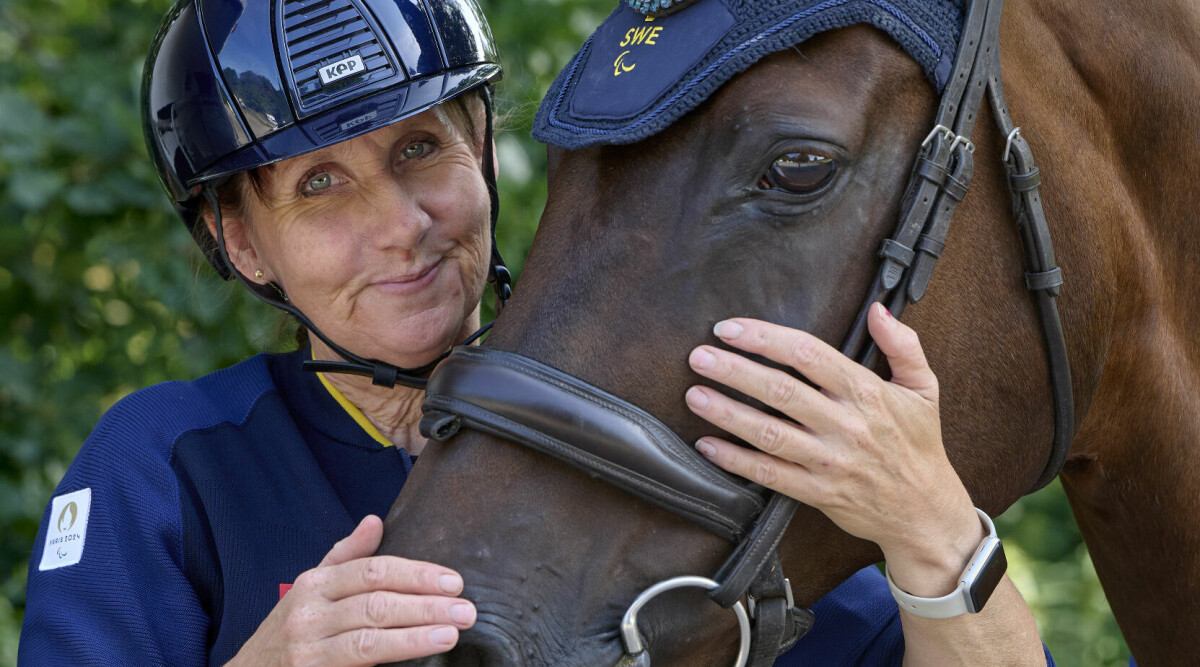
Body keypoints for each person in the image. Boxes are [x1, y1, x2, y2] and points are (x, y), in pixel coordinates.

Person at [18, 0, 1050, 665]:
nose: (400, 226)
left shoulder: (674, 414)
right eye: (319, 185)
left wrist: (932, 529)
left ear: (481, 150)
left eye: (422, 149)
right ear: (240, 241)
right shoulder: (166, 465)